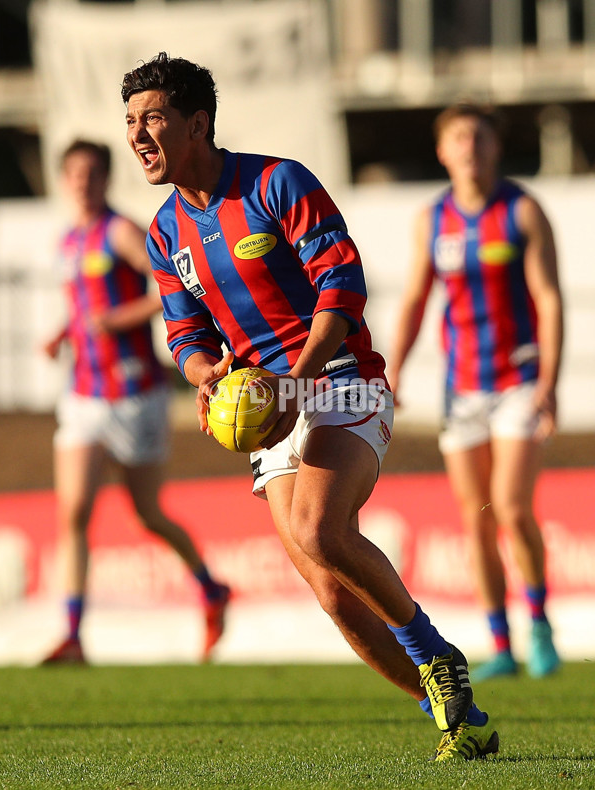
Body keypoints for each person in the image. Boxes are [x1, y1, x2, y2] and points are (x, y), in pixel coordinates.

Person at [120, 52, 498, 762]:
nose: (139, 134)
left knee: (322, 530)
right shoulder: (166, 231)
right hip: (271, 406)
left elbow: (340, 292)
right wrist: (207, 377)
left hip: (341, 380)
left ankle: (437, 655)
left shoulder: (276, 182)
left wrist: (293, 382)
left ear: (198, 123)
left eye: (154, 118)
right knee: (331, 593)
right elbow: (185, 335)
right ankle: (456, 716)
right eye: (131, 121)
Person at [388, 102, 563, 682]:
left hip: (517, 380)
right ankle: (502, 644)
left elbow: (549, 298)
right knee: (477, 518)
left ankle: (539, 626)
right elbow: (415, 298)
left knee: (512, 506)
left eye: (479, 136)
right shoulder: (430, 219)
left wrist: (550, 382)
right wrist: (396, 368)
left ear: (495, 146)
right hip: (460, 389)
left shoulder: (523, 210)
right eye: (458, 137)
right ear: (442, 151)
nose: (469, 146)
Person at [41, 139, 230, 665]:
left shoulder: (121, 232)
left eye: (92, 173)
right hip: (83, 392)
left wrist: (120, 319)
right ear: (64, 180)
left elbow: (167, 289)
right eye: (74, 173)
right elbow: (83, 307)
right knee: (73, 511)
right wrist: (62, 334)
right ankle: (74, 634)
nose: (82, 182)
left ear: (105, 179)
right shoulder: (68, 241)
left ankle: (210, 588)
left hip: (134, 394)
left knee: (148, 514)